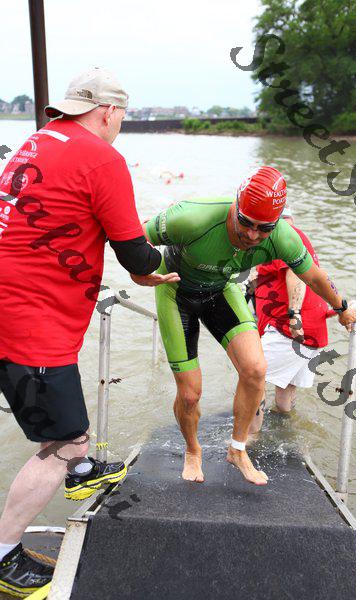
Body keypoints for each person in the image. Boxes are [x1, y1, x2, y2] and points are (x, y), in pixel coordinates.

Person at [0, 67, 178, 597]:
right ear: (110, 112)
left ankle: (80, 469)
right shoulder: (102, 158)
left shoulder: (38, 140)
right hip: (29, 321)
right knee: (66, 438)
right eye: (121, 116)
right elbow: (136, 254)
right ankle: (5, 554)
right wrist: (167, 266)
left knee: (60, 424)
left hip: (15, 307)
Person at [132, 166, 356, 488]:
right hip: (175, 293)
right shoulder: (193, 217)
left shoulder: (283, 236)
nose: (253, 235)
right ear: (236, 205)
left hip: (220, 291)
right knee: (190, 394)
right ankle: (193, 450)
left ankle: (237, 450)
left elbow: (313, 275)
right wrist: (138, 273)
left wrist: (342, 308)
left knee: (256, 369)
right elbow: (136, 235)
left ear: (277, 221)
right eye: (246, 222)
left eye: (264, 228)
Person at [249, 206, 332, 432]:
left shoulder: (284, 236)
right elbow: (319, 277)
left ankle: (247, 438)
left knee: (251, 377)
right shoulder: (292, 239)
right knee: (285, 387)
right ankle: (285, 431)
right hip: (312, 329)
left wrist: (294, 315)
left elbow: (294, 272)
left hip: (290, 327)